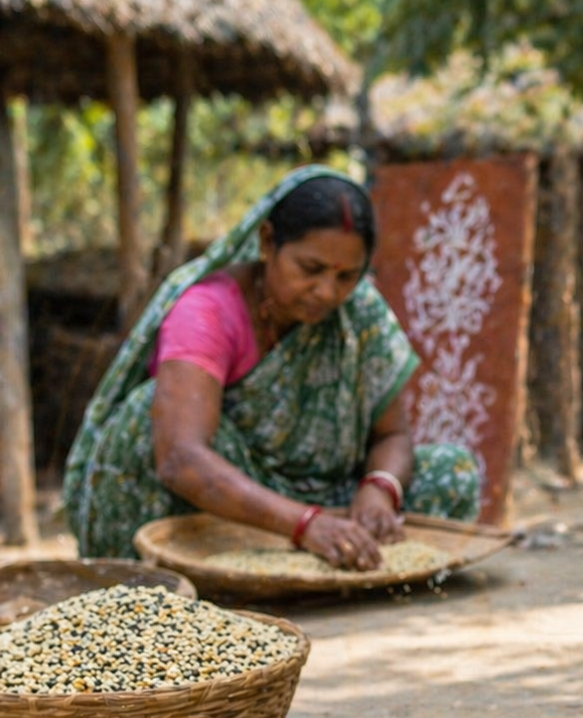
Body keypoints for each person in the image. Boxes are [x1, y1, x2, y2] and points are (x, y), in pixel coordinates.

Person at [62, 165, 483, 568]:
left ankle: (334, 555)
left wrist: (379, 490)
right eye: (310, 269)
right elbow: (180, 458)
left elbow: (392, 434)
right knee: (143, 417)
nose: (326, 291)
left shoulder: (359, 314)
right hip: (234, 511)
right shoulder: (207, 312)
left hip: (329, 503)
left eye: (346, 276)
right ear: (267, 243)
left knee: (451, 473)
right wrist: (302, 524)